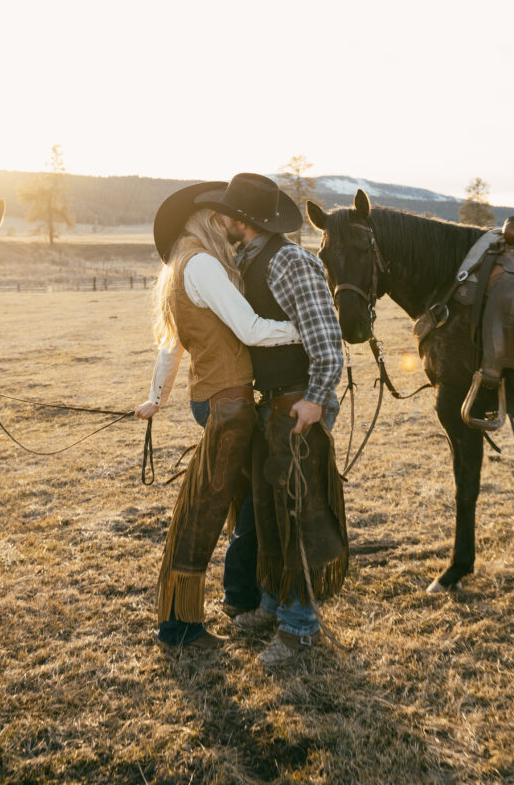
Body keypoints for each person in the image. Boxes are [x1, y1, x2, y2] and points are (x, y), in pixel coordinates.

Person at [135, 181, 303, 651]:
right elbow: (250, 329)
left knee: (244, 497)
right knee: (206, 511)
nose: (233, 226)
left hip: (213, 397)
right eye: (226, 218)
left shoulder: (179, 265)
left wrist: (156, 398)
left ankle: (243, 592)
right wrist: (305, 328)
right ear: (208, 219)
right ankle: (180, 625)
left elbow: (171, 345)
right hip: (228, 402)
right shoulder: (203, 263)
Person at [196, 173, 348, 668]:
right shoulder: (246, 260)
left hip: (297, 404)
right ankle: (272, 603)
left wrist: (316, 399)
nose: (220, 220)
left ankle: (299, 625)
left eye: (225, 214)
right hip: (270, 404)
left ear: (242, 220)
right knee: (266, 511)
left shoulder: (290, 261)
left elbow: (326, 341)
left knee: (297, 515)